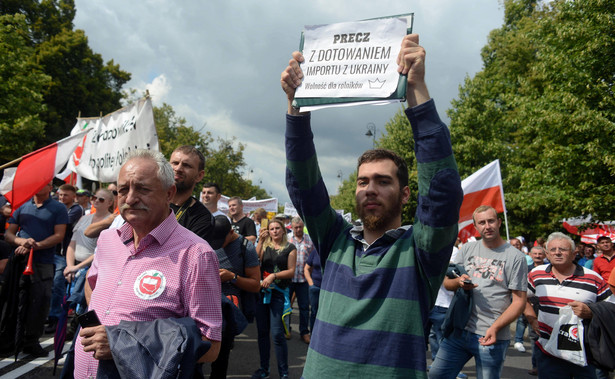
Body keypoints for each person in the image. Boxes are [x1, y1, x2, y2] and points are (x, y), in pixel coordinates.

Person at [282, 34, 463, 378]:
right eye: (363, 181)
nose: (370, 189)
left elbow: (443, 192)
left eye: (383, 181)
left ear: (406, 193)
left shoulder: (421, 251)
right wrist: (296, 106)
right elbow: (303, 185)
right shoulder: (333, 239)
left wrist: (416, 90)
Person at [74, 150, 222, 378]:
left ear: (168, 193)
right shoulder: (107, 240)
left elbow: (209, 346)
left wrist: (121, 344)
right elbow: (92, 285)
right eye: (123, 190)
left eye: (143, 189)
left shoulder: (196, 254)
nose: (131, 198)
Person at [430, 205, 528, 379]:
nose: (487, 226)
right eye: (482, 222)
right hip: (459, 330)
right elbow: (446, 283)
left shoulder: (516, 257)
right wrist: (459, 282)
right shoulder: (467, 249)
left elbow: (519, 302)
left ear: (499, 223)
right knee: (436, 375)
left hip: (491, 335)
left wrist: (495, 328)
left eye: (491, 221)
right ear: (475, 227)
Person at [525, 232, 611, 378]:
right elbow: (522, 298)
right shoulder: (536, 274)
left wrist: (591, 312)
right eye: (553, 250)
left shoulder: (593, 278)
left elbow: (610, 308)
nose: (557, 253)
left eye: (563, 249)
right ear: (547, 254)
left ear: (573, 254)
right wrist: (532, 319)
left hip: (584, 354)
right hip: (548, 352)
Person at [3, 182, 68, 357]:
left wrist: (35, 246)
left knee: (39, 302)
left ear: (50, 187)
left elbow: (59, 235)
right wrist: (21, 242)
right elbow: (9, 234)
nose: (38, 186)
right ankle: (9, 339)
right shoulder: (22, 206)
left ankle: (31, 341)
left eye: (44, 184)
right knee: (13, 300)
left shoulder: (58, 208)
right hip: (19, 261)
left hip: (43, 262)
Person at [209, 215, 261, 379]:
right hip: (204, 305)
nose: (217, 245)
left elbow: (255, 284)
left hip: (228, 309)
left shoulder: (247, 247)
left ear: (231, 232)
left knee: (221, 358)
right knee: (198, 353)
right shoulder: (209, 238)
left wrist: (232, 277)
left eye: (221, 241)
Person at [252, 218, 297, 379]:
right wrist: (260, 240)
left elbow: (291, 271)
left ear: (283, 230)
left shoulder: (290, 248)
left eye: (277, 228)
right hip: (262, 294)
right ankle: (264, 369)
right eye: (271, 229)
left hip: (279, 293)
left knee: (277, 334)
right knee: (262, 333)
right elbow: (254, 260)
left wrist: (273, 275)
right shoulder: (265, 245)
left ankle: (284, 372)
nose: (275, 231)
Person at [62, 189, 115, 313]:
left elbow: (100, 251)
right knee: (68, 305)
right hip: (74, 267)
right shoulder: (83, 219)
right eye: (94, 197)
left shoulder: (111, 222)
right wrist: (70, 266)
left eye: (101, 199)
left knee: (83, 308)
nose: (96, 200)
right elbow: (72, 244)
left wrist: (77, 267)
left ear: (110, 203)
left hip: (91, 269)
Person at [47, 184, 83, 333]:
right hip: (50, 252)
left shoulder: (76, 209)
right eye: (60, 195)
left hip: (64, 254)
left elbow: (62, 223)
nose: (62, 198)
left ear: (73, 196)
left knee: (57, 285)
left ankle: (55, 317)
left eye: (65, 195)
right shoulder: (57, 208)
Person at [169, 145, 215, 243]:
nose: (178, 168)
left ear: (199, 176)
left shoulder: (202, 218)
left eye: (186, 165)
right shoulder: (151, 201)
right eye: (175, 163)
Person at [287, 216, 313, 344]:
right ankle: (287, 329)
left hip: (303, 280)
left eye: (300, 227)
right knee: (287, 306)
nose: (298, 229)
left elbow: (313, 258)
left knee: (304, 307)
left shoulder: (309, 240)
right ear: (291, 227)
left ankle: (304, 332)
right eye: (296, 227)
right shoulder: (287, 239)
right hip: (289, 279)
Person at [303, 248, 321, 334]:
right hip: (316, 287)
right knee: (314, 312)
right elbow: (306, 268)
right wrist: (311, 283)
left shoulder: (333, 252)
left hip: (329, 289)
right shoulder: (315, 251)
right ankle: (313, 334)